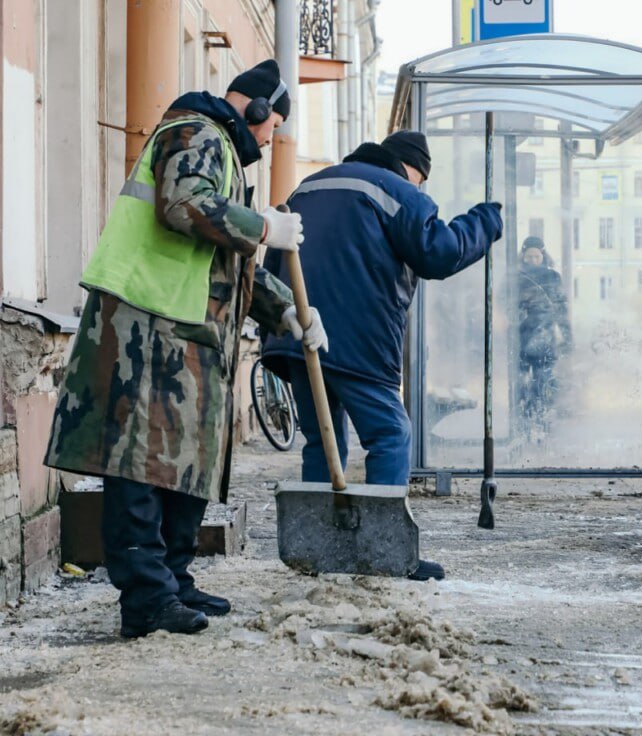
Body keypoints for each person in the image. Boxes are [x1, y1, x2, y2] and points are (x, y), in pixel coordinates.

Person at [44, 60, 328, 639]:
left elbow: (228, 263)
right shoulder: (196, 132)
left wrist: (294, 315)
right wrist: (262, 226)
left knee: (186, 461)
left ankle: (172, 577)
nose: (270, 138)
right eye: (271, 125)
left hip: (186, 325)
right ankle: (147, 599)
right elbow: (180, 204)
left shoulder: (220, 148)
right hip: (144, 321)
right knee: (140, 462)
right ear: (254, 109)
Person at [261, 130, 503, 582]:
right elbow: (440, 252)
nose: (419, 188)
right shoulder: (393, 190)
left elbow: (275, 260)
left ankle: (320, 551)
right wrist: (484, 223)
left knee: (322, 441)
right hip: (356, 340)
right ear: (408, 168)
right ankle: (382, 551)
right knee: (390, 434)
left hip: (297, 334)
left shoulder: (312, 185)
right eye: (420, 179)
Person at [516, 236, 571, 428]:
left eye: (536, 257)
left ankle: (542, 424)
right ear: (523, 256)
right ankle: (526, 422)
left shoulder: (553, 277)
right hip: (522, 338)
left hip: (542, 338)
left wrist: (567, 336)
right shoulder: (516, 277)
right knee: (523, 386)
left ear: (543, 256)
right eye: (529, 257)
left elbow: (561, 308)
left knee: (542, 383)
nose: (532, 261)